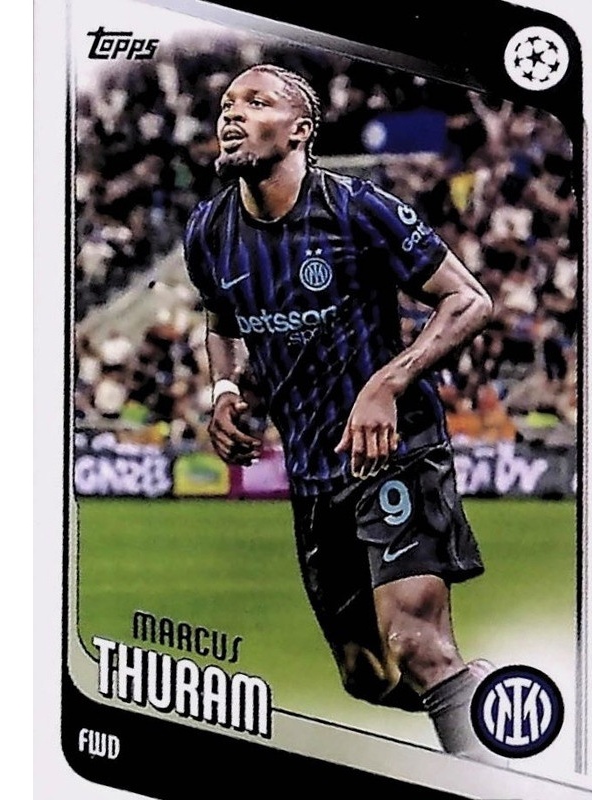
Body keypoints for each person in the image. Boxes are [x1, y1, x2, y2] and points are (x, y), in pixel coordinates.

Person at [183, 64, 495, 760]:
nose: (232, 113)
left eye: (256, 102)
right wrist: (225, 389)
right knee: (368, 676)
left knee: (417, 644)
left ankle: (498, 779)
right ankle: (483, 698)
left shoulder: (357, 208)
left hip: (396, 451)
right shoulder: (208, 231)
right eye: (227, 103)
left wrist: (388, 383)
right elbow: (220, 320)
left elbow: (469, 299)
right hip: (315, 473)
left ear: (300, 130)